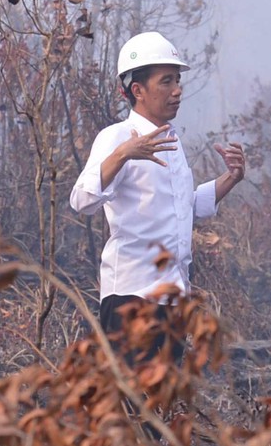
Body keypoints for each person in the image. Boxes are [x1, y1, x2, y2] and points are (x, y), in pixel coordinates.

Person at [70, 31, 245, 359]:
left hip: (172, 299)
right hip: (132, 299)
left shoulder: (171, 140)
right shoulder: (118, 137)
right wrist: (123, 153)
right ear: (137, 90)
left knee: (162, 406)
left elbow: (185, 209)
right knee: (134, 405)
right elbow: (82, 199)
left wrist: (230, 178)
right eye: (166, 82)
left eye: (178, 81)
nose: (177, 90)